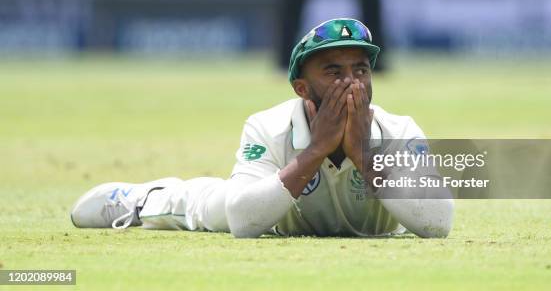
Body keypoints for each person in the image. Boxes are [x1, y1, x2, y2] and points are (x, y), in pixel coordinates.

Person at [70, 18, 453, 238]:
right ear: (302, 89)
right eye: (333, 72)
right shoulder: (268, 126)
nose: (351, 84)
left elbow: (439, 223)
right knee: (209, 206)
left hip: (378, 223)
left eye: (360, 70)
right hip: (274, 219)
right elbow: (241, 221)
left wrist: (364, 157)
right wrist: (315, 151)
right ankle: (141, 199)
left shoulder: (400, 129)